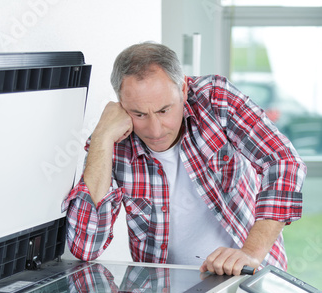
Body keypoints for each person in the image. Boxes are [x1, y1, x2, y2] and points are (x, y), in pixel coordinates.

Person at [62, 42, 306, 276]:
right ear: (121, 104)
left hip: (250, 274)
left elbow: (283, 162)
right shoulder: (112, 138)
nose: (155, 130)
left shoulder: (215, 98)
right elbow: (85, 246)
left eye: (164, 110)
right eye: (139, 114)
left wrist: (251, 254)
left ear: (183, 89)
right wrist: (101, 139)